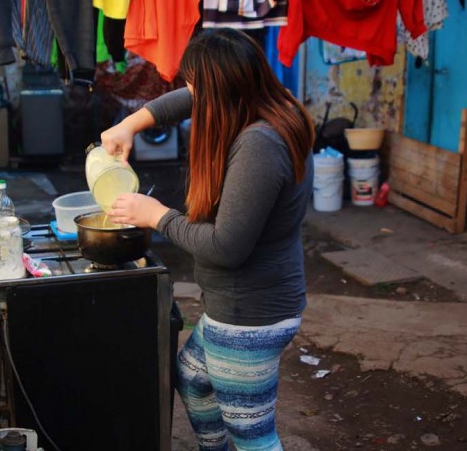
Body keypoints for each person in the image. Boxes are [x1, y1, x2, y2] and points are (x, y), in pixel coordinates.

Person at [101, 28, 315, 451]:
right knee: (194, 378)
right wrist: (131, 123)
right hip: (248, 305)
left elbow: (226, 247)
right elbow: (188, 100)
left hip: (249, 316)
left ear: (221, 89)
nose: (189, 94)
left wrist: (157, 215)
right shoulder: (273, 103)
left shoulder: (258, 145)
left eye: (195, 84)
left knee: (254, 438)